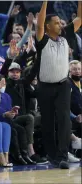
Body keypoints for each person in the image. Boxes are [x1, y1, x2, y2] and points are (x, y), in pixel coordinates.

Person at [35, 1, 81, 169]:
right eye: (56, 22)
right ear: (48, 27)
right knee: (47, 122)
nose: (60, 24)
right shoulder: (42, 39)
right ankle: (52, 155)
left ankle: (62, 156)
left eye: (61, 22)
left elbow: (80, 18)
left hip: (63, 85)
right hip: (45, 87)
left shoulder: (66, 35)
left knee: (64, 120)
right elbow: (39, 24)